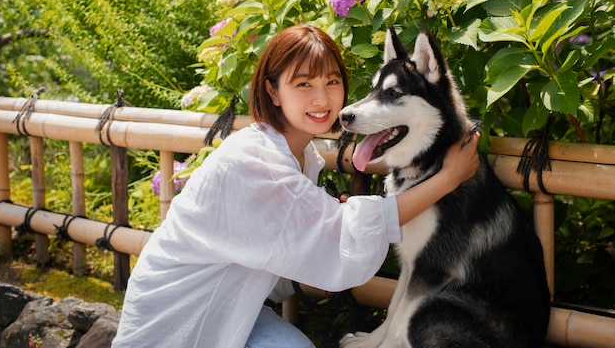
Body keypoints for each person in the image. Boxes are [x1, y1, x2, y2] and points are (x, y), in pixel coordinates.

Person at [111, 24, 480, 348]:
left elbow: (302, 239)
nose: (321, 99)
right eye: (303, 84)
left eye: (331, 82)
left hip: (236, 308)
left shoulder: (303, 156)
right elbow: (339, 232)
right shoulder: (253, 160)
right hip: (179, 316)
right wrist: (448, 178)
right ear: (273, 92)